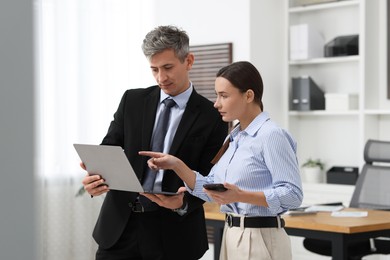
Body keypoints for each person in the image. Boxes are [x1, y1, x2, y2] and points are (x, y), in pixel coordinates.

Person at [81, 25, 228, 260]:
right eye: (154, 69)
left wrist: (183, 202)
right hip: (120, 230)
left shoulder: (213, 116)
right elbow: (109, 148)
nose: (161, 77)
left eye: (168, 67)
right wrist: (95, 178)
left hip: (175, 236)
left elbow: (211, 177)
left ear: (189, 61)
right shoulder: (132, 100)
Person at [140, 61, 304, 260]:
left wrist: (240, 196)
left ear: (249, 95)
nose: (216, 103)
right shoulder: (234, 137)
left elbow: (293, 195)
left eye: (224, 96)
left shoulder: (271, 136)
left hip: (260, 237)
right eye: (217, 95)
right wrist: (177, 165)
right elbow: (213, 189)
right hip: (232, 234)